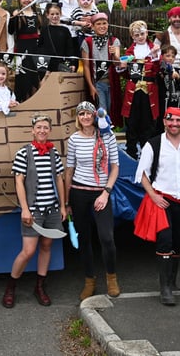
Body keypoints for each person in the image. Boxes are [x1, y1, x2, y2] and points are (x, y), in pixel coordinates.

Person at [134, 107, 180, 306]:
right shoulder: (153, 144)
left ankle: (172, 281)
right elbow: (142, 175)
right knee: (164, 240)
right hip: (162, 201)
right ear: (165, 121)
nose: (174, 124)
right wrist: (154, 196)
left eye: (178, 121)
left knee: (177, 242)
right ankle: (165, 289)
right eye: (170, 120)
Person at [1, 114, 67, 308]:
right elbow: (19, 181)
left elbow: (59, 180)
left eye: (45, 127)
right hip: (34, 210)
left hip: (52, 208)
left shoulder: (54, 153)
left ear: (49, 130)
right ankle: (11, 286)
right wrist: (25, 209)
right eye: (38, 127)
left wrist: (63, 205)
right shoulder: (24, 153)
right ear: (32, 130)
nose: (42, 130)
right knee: (28, 251)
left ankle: (40, 286)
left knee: (46, 246)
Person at [65, 101, 120, 300]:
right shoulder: (73, 139)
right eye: (81, 114)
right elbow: (69, 170)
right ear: (78, 118)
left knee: (107, 238)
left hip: (100, 192)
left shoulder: (107, 136)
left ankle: (111, 278)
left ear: (95, 115)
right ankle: (89, 280)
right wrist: (67, 201)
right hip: (79, 193)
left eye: (88, 113)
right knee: (84, 239)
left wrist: (106, 192)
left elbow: (115, 167)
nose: (85, 117)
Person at [120, 20, 161, 159]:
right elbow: (125, 75)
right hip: (133, 91)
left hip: (149, 92)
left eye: (142, 33)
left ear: (147, 33)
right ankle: (131, 152)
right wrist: (122, 66)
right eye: (137, 35)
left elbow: (156, 71)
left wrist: (155, 56)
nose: (140, 37)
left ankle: (147, 153)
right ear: (133, 36)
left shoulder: (154, 49)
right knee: (132, 122)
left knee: (148, 122)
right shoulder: (129, 52)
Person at [80, 12, 121, 115]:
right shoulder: (87, 42)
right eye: (98, 24)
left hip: (112, 81)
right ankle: (102, 130)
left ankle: (108, 130)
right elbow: (86, 66)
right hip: (97, 82)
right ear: (93, 27)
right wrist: (91, 86)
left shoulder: (114, 41)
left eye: (104, 23)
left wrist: (114, 55)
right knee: (102, 110)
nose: (102, 26)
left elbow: (118, 64)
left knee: (112, 109)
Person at [8, 0, 42, 102]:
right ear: (19, 0)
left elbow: (41, 31)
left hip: (35, 48)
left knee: (34, 75)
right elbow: (10, 31)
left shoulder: (38, 14)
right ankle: (21, 100)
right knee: (22, 76)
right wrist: (14, 18)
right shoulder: (17, 13)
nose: (26, 0)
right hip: (22, 48)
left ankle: (35, 100)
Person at [37, 3, 77, 80]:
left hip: (61, 63)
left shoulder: (65, 30)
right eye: (52, 14)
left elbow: (70, 48)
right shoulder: (45, 30)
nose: (55, 16)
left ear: (61, 14)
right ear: (47, 15)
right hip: (47, 63)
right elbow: (40, 46)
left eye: (57, 14)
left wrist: (72, 62)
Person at [156, 45, 180, 133]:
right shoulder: (160, 69)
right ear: (162, 56)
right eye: (168, 56)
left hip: (174, 101)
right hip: (163, 100)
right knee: (162, 120)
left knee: (174, 119)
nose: (170, 58)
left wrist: (178, 77)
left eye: (173, 56)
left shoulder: (177, 70)